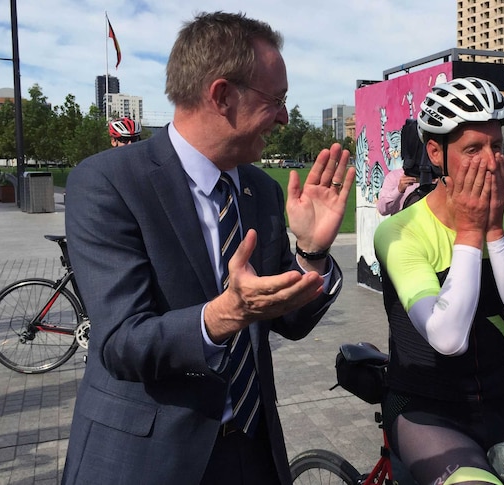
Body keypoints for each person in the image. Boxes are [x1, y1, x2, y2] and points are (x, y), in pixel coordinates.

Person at [62, 12, 355, 485]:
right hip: (147, 460)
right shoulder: (107, 183)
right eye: (276, 100)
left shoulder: (261, 190)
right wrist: (222, 316)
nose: (283, 116)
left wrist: (311, 252)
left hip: (252, 451)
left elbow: (291, 321)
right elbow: (120, 343)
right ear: (222, 95)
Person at [373, 77, 504, 485]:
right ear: (436, 153)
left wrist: (495, 231)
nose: (491, 162)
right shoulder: (401, 231)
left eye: (497, 146)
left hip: (495, 401)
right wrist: (472, 232)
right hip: (424, 409)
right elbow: (447, 337)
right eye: (473, 150)